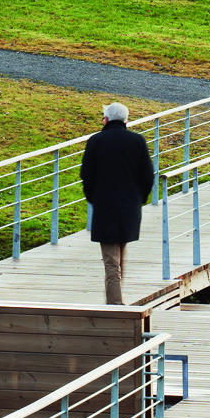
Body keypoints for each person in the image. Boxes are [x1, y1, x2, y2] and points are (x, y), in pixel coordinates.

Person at [79, 102, 154, 305]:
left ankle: (115, 304)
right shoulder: (137, 141)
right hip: (130, 208)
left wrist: (93, 198)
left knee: (111, 260)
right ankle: (116, 298)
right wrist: (140, 199)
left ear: (106, 119)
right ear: (126, 120)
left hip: (105, 207)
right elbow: (147, 176)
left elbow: (86, 175)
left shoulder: (96, 141)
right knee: (119, 255)